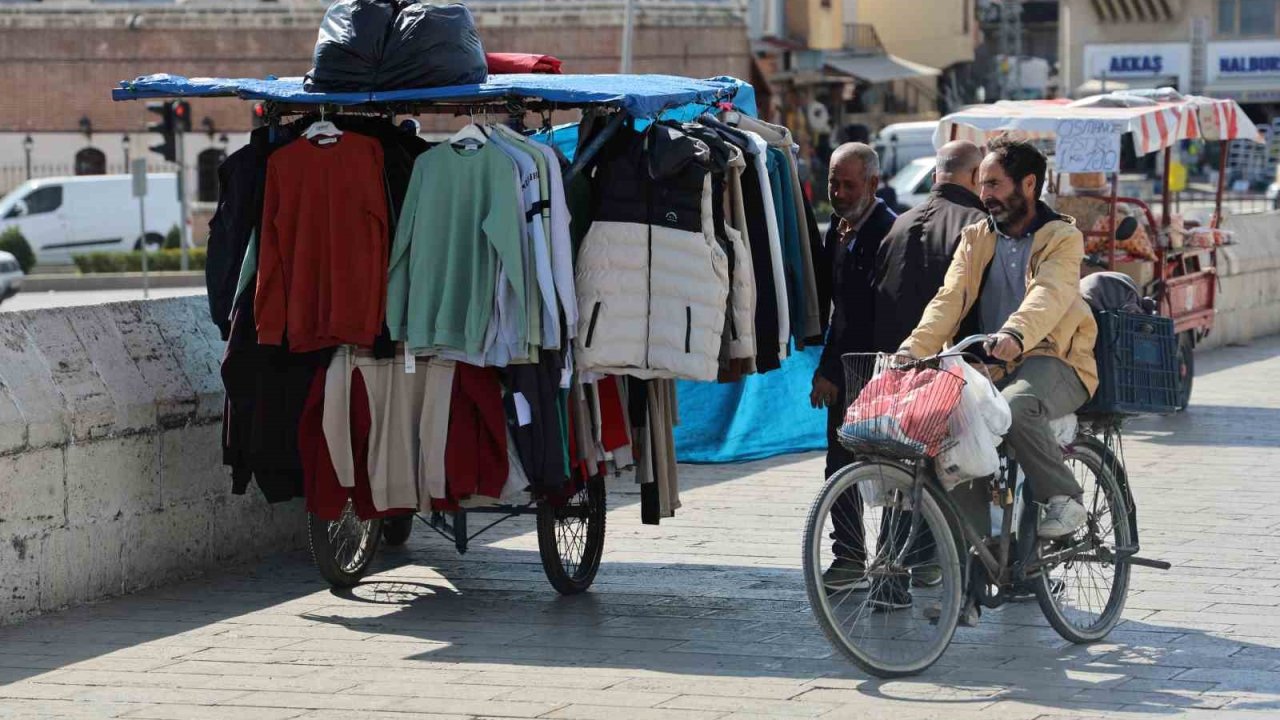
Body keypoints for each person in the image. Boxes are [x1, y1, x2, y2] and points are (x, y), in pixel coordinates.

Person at [900, 137, 1098, 544]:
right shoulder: (976, 237)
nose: (984, 194)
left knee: (1016, 407)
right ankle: (977, 566)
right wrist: (913, 349)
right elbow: (949, 300)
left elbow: (1050, 292)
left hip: (1055, 360)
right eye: (983, 185)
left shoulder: (1061, 237)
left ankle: (1065, 497)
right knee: (960, 435)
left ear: (1028, 184)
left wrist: (1015, 332)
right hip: (992, 364)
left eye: (994, 184)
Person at [846, 141, 988, 602]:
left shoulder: (900, 225)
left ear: (935, 176)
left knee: (900, 474)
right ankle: (954, 567)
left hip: (895, 368)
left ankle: (894, 574)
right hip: (951, 369)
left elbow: (868, 306)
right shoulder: (978, 228)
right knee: (957, 470)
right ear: (973, 177)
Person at [809, 142, 897, 593]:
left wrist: (832, 370)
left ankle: (895, 561)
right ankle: (849, 556)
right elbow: (835, 308)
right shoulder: (838, 230)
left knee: (893, 470)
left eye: (849, 184)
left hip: (879, 369)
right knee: (839, 465)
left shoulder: (888, 232)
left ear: (873, 184)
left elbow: (866, 314)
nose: (839, 193)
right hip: (847, 368)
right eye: (833, 183)